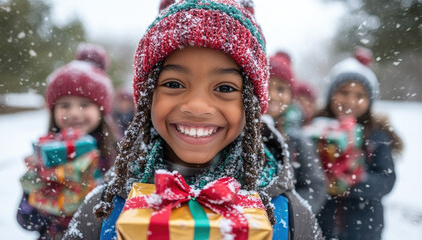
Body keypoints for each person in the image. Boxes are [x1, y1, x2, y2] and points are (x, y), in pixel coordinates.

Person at [63, 1, 322, 239]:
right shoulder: (105, 208)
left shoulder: (288, 215)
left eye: (224, 88)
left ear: (252, 106)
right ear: (147, 98)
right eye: (174, 84)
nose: (197, 106)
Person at [16, 43, 118, 240]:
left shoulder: (115, 157)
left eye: (84, 104)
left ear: (101, 110)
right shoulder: (43, 157)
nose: (73, 113)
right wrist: (40, 199)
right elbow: (25, 219)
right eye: (64, 105)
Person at [315, 47, 403, 240]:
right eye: (343, 92)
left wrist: (352, 183)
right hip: (321, 223)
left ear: (370, 101)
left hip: (363, 227)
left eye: (359, 96)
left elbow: (386, 180)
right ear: (331, 95)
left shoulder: (377, 136)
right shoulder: (316, 128)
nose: (350, 101)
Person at [265, 51, 327, 215]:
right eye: (266, 85)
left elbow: (315, 186)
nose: (272, 95)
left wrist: (291, 215)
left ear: (291, 96)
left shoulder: (298, 139)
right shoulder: (238, 129)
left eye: (280, 89)